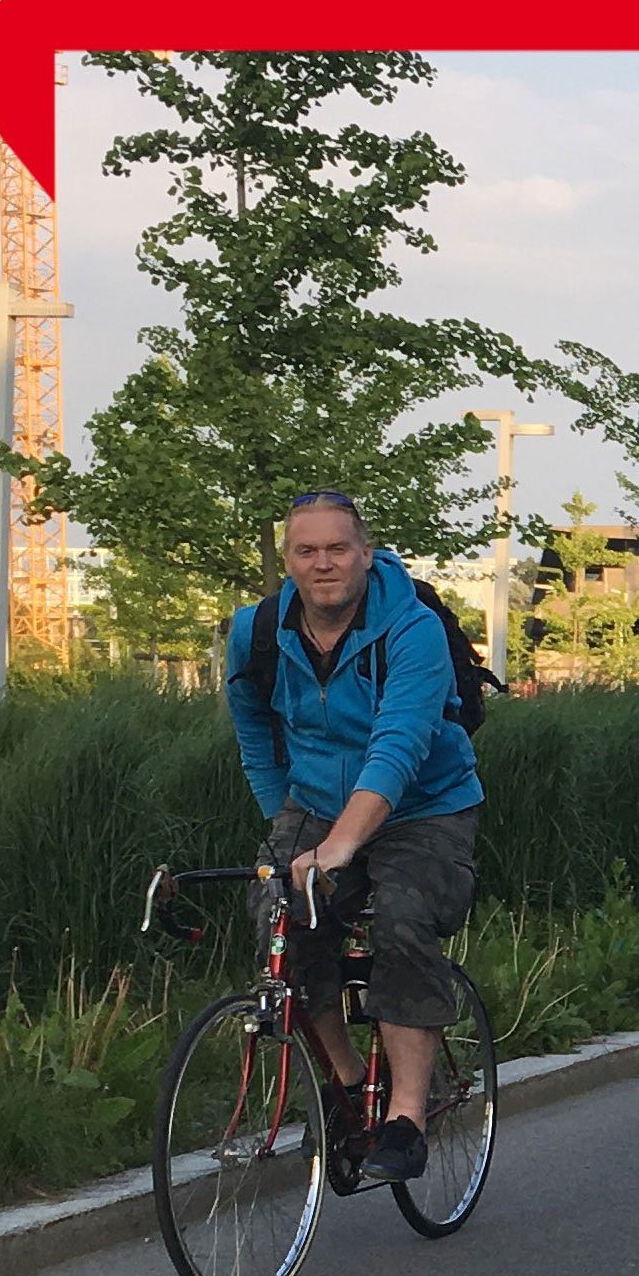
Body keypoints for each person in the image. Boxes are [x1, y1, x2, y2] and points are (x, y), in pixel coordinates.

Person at [222, 490, 484, 1185]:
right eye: (306, 551)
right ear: (287, 560)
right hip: (313, 801)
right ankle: (342, 1082)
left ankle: (404, 1116)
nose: (324, 563)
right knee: (281, 920)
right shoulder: (255, 632)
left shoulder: (412, 628)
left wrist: (341, 845)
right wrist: (288, 821)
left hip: (423, 806)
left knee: (401, 918)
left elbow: (398, 747)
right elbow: (254, 733)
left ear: (366, 553)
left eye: (338, 548)